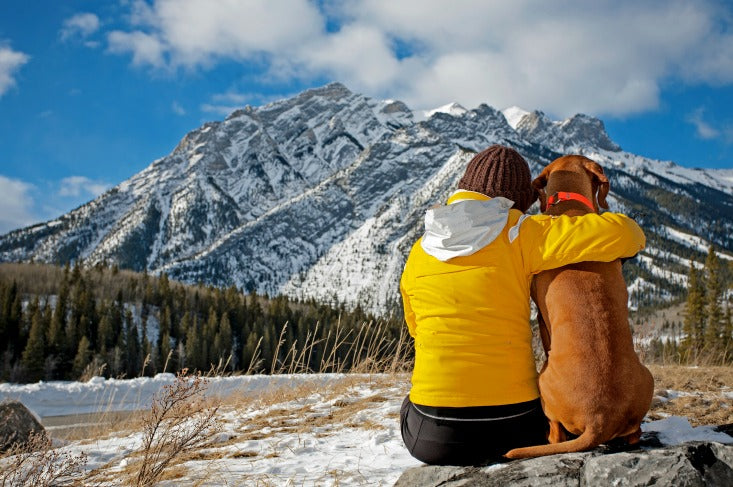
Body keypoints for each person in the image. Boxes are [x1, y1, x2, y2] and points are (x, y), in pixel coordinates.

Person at [399, 144, 645, 466]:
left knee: (410, 403)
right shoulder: (522, 231)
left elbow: (417, 330)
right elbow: (628, 234)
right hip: (515, 427)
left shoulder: (419, 251)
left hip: (432, 439)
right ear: (515, 201)